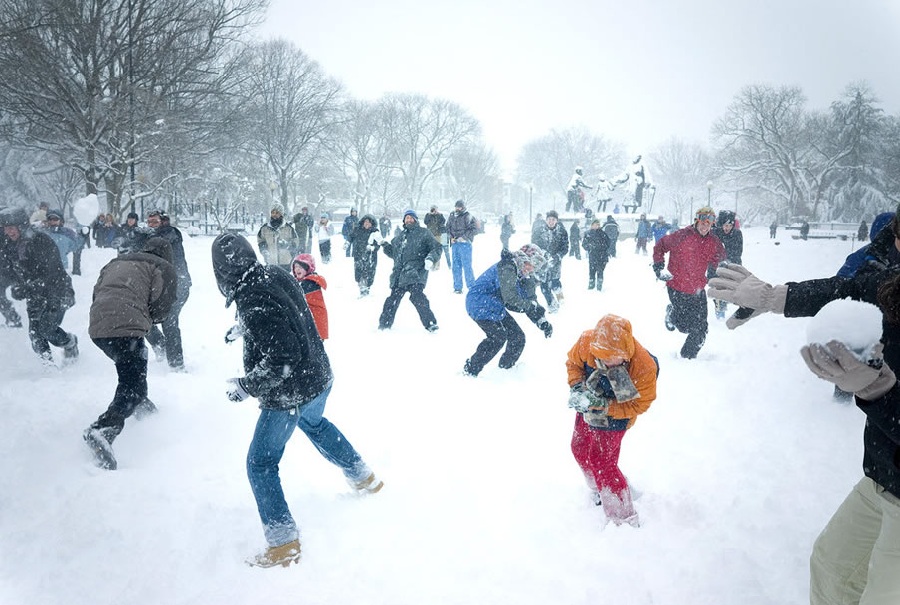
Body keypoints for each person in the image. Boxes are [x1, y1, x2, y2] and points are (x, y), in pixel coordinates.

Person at [706, 243, 900, 605]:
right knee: (832, 569)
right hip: (883, 474)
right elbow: (850, 289)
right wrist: (775, 297)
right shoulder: (895, 284)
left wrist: (881, 391)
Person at [212, 233, 383, 568]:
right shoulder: (274, 274)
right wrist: (244, 326)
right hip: (319, 377)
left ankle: (283, 545)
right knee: (315, 422)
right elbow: (287, 314)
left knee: (260, 463)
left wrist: (247, 386)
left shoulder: (252, 299)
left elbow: (283, 356)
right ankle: (363, 476)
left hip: (292, 391)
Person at [82, 236, 177, 470]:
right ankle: (103, 429)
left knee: (130, 372)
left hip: (99, 329)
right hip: (127, 329)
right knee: (132, 385)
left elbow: (98, 292)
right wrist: (148, 317)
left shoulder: (117, 261)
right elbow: (162, 307)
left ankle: (144, 409)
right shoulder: (163, 267)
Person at [566, 314, 658, 527]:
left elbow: (639, 405)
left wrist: (606, 406)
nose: (607, 362)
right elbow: (573, 364)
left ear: (625, 353)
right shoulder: (586, 342)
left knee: (602, 462)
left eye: (613, 358)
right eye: (602, 357)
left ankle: (623, 519)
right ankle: (600, 489)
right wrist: (578, 387)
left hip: (620, 412)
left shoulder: (643, 367)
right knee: (579, 447)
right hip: (590, 401)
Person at [0, 206, 78, 366]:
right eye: (5, 228)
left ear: (21, 226)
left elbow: (52, 274)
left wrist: (27, 288)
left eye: (11, 228)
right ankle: (47, 367)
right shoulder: (10, 246)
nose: (8, 232)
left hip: (58, 291)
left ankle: (70, 342)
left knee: (47, 328)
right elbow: (6, 270)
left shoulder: (41, 241)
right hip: (34, 295)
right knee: (35, 334)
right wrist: (13, 285)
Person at [462, 244, 552, 377]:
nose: (531, 269)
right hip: (479, 302)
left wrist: (541, 320)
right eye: (531, 263)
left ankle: (504, 371)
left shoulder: (524, 277)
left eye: (535, 266)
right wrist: (529, 306)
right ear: (524, 259)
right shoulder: (508, 267)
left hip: (495, 306)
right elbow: (510, 298)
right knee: (498, 336)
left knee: (517, 337)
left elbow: (530, 301)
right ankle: (471, 370)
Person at [651, 206, 725, 359]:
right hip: (677, 286)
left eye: (708, 224)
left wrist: (715, 270)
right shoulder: (681, 235)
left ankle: (687, 357)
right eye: (702, 223)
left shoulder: (714, 241)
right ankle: (671, 314)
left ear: (712, 224)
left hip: (698, 289)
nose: (705, 226)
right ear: (696, 221)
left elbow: (721, 258)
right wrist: (658, 267)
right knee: (684, 327)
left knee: (701, 327)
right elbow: (660, 246)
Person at [378, 209, 441, 332]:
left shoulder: (424, 233)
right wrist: (384, 244)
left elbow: (436, 248)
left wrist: (430, 259)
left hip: (416, 273)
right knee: (392, 300)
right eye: (407, 218)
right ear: (404, 221)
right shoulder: (399, 237)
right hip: (399, 275)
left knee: (418, 297)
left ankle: (430, 323)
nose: (409, 220)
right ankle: (384, 325)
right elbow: (394, 254)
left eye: (411, 218)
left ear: (416, 220)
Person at [145, 208, 191, 371]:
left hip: (177, 284)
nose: (151, 225)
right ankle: (160, 345)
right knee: (142, 317)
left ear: (163, 221)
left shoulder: (170, 235)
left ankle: (177, 364)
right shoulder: (151, 238)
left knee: (169, 321)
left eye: (155, 222)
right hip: (158, 286)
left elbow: (164, 249)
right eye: (149, 222)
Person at [530, 210, 569, 312]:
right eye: (549, 219)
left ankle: (560, 296)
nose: (551, 221)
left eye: (553, 219)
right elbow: (534, 246)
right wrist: (543, 254)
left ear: (556, 221)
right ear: (546, 220)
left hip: (555, 263)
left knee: (555, 283)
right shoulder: (538, 231)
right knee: (544, 286)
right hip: (541, 263)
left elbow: (565, 248)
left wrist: (557, 256)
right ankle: (552, 306)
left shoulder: (562, 232)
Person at [710, 210, 744, 319]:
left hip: (731, 266)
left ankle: (723, 306)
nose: (727, 228)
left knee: (730, 288)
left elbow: (738, 252)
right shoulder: (714, 233)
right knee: (718, 289)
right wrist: (719, 262)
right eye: (725, 225)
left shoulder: (737, 234)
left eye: (730, 225)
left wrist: (729, 262)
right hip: (715, 267)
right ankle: (720, 313)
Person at [291, 253, 328, 339]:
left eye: (300, 267)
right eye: (295, 267)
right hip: (315, 324)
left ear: (308, 268)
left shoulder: (309, 283)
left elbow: (295, 297)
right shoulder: (308, 281)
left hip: (314, 325)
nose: (297, 269)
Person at [257, 203, 300, 271]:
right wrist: (264, 250)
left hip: (285, 262)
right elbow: (261, 241)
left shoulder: (289, 228)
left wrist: (288, 246)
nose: (274, 215)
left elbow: (296, 242)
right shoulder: (264, 228)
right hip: (271, 262)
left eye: (277, 213)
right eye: (273, 212)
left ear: (281, 214)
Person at [447, 199, 477, 293]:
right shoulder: (451, 215)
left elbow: (474, 229)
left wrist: (464, 237)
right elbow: (447, 228)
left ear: (463, 207)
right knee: (456, 266)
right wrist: (450, 237)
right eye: (456, 207)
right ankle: (457, 287)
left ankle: (471, 287)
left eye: (459, 207)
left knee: (467, 266)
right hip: (455, 244)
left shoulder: (468, 216)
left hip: (465, 244)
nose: (457, 209)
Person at [349, 214, 381, 297]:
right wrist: (347, 242)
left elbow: (379, 244)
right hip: (358, 255)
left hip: (371, 257)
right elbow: (351, 237)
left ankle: (367, 288)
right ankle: (362, 289)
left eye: (369, 222)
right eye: (365, 222)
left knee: (369, 272)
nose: (367, 224)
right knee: (359, 271)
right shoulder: (358, 230)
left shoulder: (375, 232)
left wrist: (372, 248)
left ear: (372, 223)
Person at [581, 218, 611, 291]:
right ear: (591, 225)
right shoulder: (588, 234)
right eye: (594, 225)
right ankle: (591, 285)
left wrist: (601, 247)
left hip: (602, 256)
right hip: (592, 256)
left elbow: (608, 243)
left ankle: (599, 286)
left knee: (600, 271)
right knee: (592, 271)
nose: (596, 226)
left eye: (597, 225)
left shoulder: (603, 234)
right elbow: (584, 244)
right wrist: (590, 247)